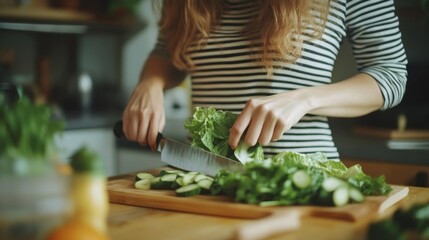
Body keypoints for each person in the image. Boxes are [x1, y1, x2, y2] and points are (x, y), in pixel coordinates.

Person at [122, 0, 407, 161]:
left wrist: (304, 99)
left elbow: (390, 75)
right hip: (202, 178)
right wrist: (150, 84)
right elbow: (167, 54)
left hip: (298, 180)